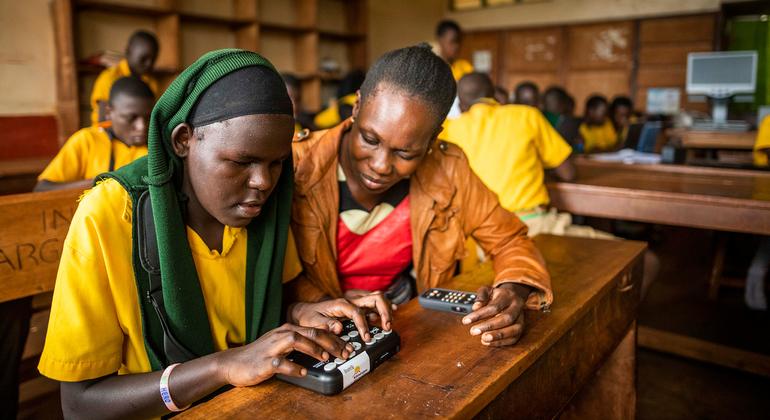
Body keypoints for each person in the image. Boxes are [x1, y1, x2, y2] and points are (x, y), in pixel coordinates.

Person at [38, 50, 391, 418]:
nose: (263, 183)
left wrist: (304, 311)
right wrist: (222, 366)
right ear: (183, 140)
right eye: (241, 162)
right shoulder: (111, 214)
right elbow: (80, 406)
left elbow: (262, 301)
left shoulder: (263, 205)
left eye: (276, 163)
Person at [288, 45, 551, 348]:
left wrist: (513, 290)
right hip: (321, 339)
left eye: (405, 153)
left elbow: (509, 240)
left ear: (433, 137)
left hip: (406, 323)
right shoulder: (298, 165)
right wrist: (322, 304)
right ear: (357, 106)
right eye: (369, 139)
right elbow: (270, 276)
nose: (380, 165)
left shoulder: (448, 169)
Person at [443, 73, 659, 295]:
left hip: (477, 241)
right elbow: (568, 172)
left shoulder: (449, 130)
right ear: (495, 96)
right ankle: (616, 325)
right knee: (647, 261)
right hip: (533, 227)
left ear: (461, 104)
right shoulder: (526, 116)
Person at [35, 76, 154, 192]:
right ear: (108, 112)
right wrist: (98, 183)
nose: (142, 127)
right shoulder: (87, 140)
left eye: (148, 118)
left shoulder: (156, 144)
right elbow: (42, 189)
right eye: (131, 118)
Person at [90, 30, 160, 126]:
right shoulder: (109, 78)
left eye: (153, 60)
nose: (149, 64)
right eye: (143, 58)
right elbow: (103, 121)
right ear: (128, 52)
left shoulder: (150, 82)